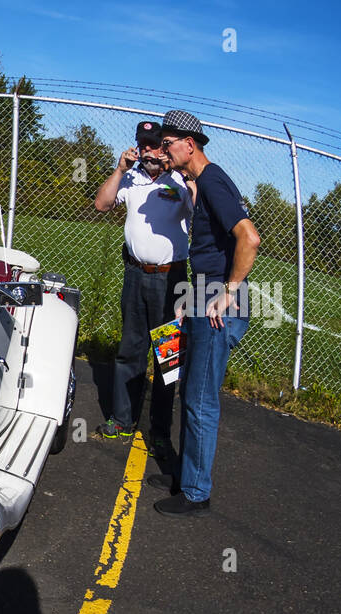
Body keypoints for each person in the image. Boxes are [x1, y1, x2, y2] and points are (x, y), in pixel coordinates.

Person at [149, 109, 261, 517]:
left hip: (219, 300)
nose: (164, 150)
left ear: (189, 144)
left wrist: (227, 292)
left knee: (199, 399)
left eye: (168, 143)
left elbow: (249, 237)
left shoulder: (213, 180)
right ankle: (184, 473)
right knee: (187, 389)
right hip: (204, 292)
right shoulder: (204, 182)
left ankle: (196, 492)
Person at [92, 119, 194, 460]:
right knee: (129, 349)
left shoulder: (179, 179)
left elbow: (196, 207)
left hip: (172, 279)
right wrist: (120, 169)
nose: (149, 150)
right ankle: (122, 419)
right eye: (143, 144)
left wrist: (183, 178)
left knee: (167, 356)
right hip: (136, 275)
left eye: (155, 144)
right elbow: (102, 204)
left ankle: (160, 431)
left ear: (165, 148)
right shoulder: (131, 178)